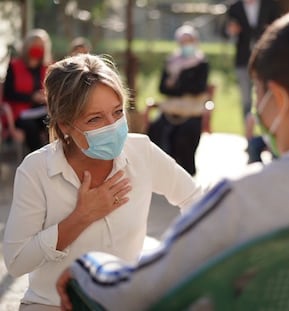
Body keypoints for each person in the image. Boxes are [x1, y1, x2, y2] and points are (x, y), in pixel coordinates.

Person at [56, 8, 289, 311]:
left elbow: (135, 294)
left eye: (258, 92)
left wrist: (86, 266)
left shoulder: (243, 198)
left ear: (277, 99)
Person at [3, 53, 204, 310]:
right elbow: (17, 261)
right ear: (65, 126)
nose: (113, 126)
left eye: (118, 112)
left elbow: (195, 199)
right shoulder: (36, 169)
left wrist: (170, 262)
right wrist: (81, 216)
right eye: (95, 119)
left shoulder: (141, 151)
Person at [147, 24, 210, 176]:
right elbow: (162, 88)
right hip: (170, 109)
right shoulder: (171, 61)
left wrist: (177, 85)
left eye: (189, 41)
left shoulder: (201, 63)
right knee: (156, 130)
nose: (186, 45)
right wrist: (182, 86)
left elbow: (198, 88)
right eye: (183, 42)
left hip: (191, 111)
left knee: (185, 135)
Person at [225, 0, 281, 122]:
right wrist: (231, 31)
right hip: (243, 59)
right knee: (246, 99)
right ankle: (248, 132)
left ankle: (266, 130)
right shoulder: (234, 7)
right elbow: (225, 31)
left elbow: (278, 29)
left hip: (265, 59)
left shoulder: (269, 5)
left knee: (267, 96)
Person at [3, 28, 52, 152]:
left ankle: (53, 156)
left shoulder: (48, 67)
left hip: (42, 109)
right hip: (20, 113)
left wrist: (45, 96)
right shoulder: (14, 66)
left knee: (52, 122)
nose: (37, 49)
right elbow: (8, 94)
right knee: (31, 127)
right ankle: (36, 161)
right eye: (34, 45)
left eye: (40, 46)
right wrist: (31, 97)